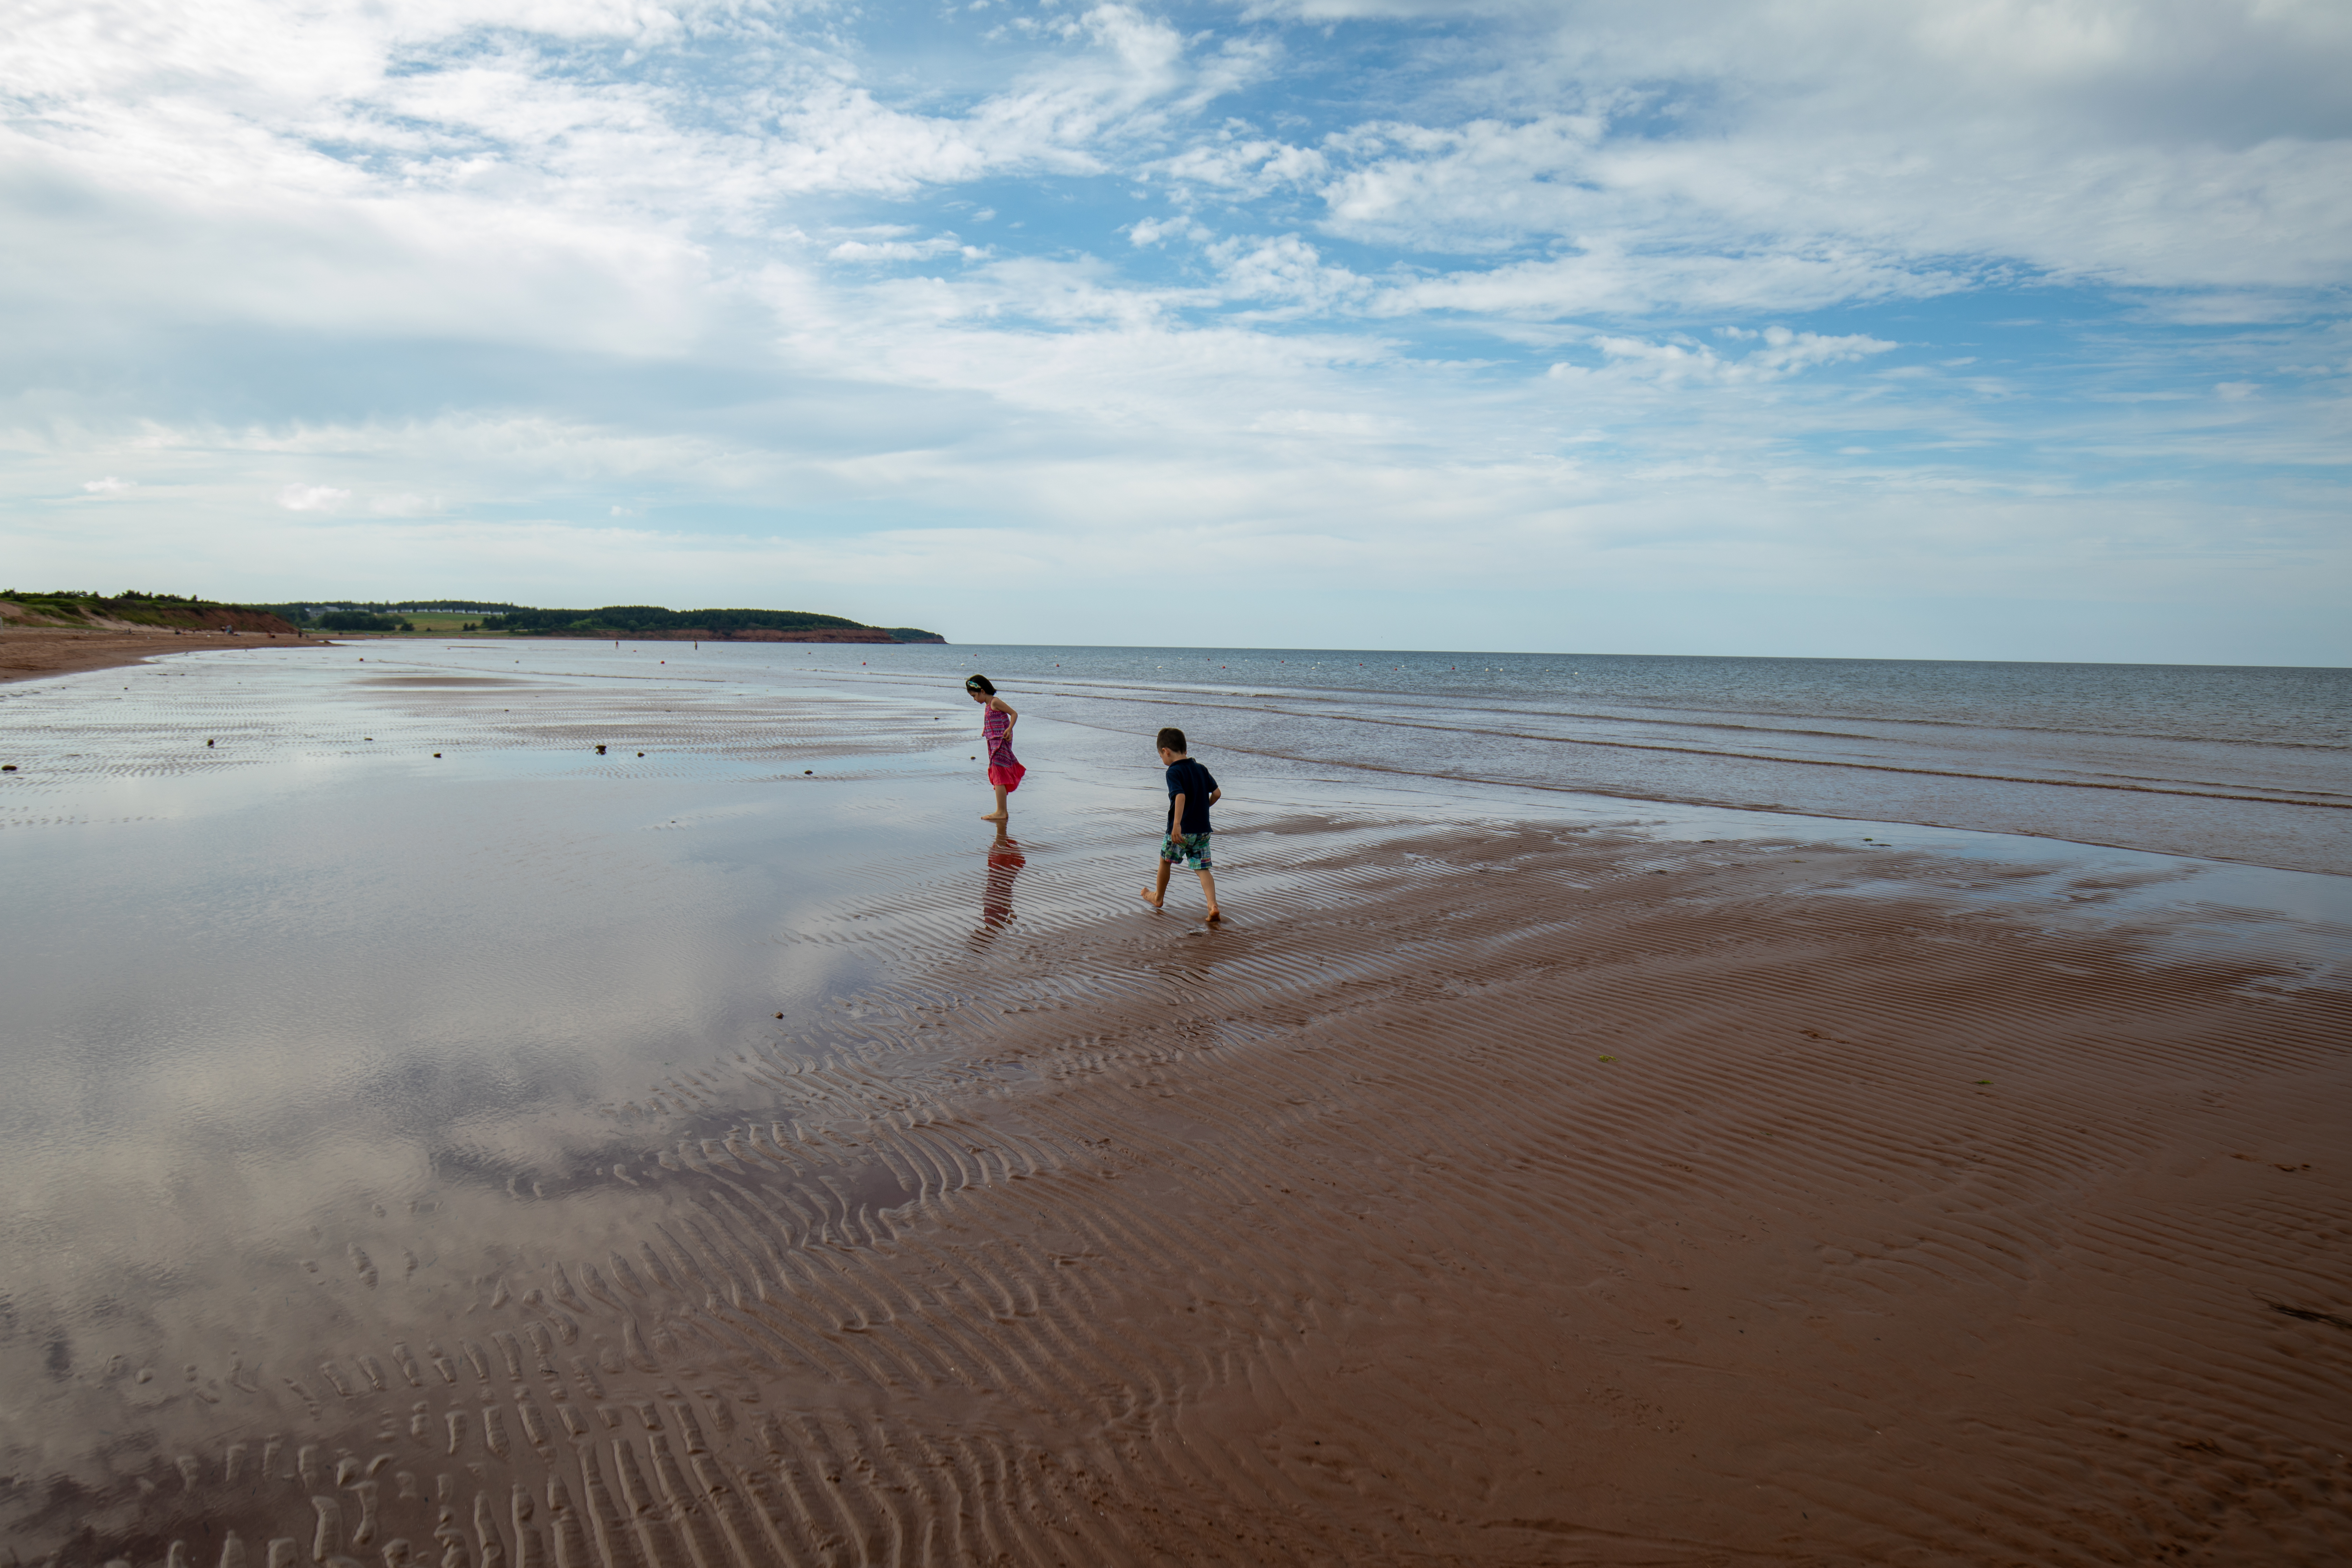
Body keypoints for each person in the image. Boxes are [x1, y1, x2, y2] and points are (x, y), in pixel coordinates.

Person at [1142, 726, 1220, 920]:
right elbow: (1217, 794)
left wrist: (1177, 824)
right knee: (1202, 868)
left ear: (1165, 751)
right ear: (1185, 750)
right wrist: (1203, 808)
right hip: (1202, 830)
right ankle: (1212, 905)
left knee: (1165, 860)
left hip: (1180, 831)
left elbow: (1180, 796)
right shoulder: (1201, 769)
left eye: (1162, 756)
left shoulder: (1173, 772)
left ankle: (1158, 898)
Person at [965, 674, 1023, 821]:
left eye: (974, 696)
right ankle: (1002, 811)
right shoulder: (988, 705)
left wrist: (1009, 729)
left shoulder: (995, 702)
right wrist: (987, 730)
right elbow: (993, 721)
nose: (974, 699)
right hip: (994, 744)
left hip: (1000, 744)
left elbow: (1014, 714)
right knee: (998, 775)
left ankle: (1001, 812)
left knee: (999, 777)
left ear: (983, 691)